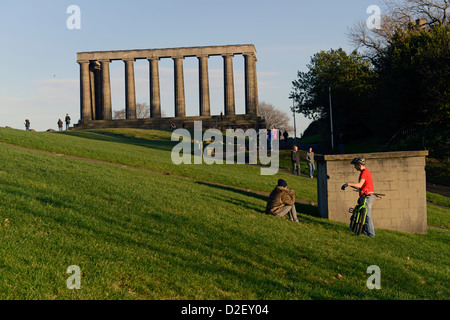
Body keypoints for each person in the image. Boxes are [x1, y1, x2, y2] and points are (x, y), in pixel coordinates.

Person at [341, 157, 375, 237]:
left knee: (367, 216)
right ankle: (365, 232)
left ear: (359, 165)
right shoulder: (365, 172)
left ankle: (371, 235)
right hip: (366, 196)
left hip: (367, 197)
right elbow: (360, 186)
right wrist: (350, 186)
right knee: (365, 215)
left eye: (355, 165)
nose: (354, 167)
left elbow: (359, 185)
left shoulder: (364, 172)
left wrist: (348, 184)